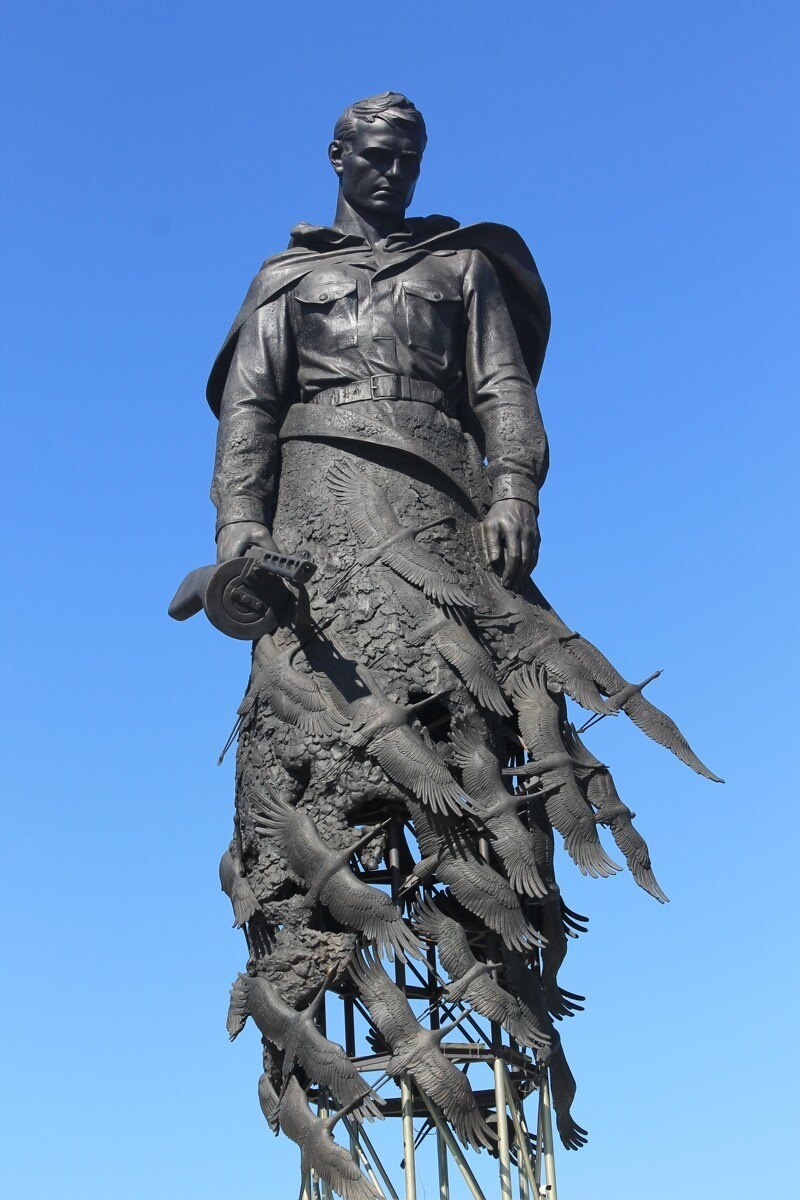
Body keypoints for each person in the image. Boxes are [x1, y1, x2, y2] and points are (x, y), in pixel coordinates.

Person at [205, 94, 716, 1177]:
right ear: (335, 157)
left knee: (476, 736)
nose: (388, 174)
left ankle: (501, 1016)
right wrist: (241, 533)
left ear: (417, 163)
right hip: (318, 527)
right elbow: (247, 415)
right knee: (325, 757)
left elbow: (501, 390)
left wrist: (517, 488)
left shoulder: (460, 270)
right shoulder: (281, 284)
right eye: (371, 157)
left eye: (406, 159)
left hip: (441, 517)